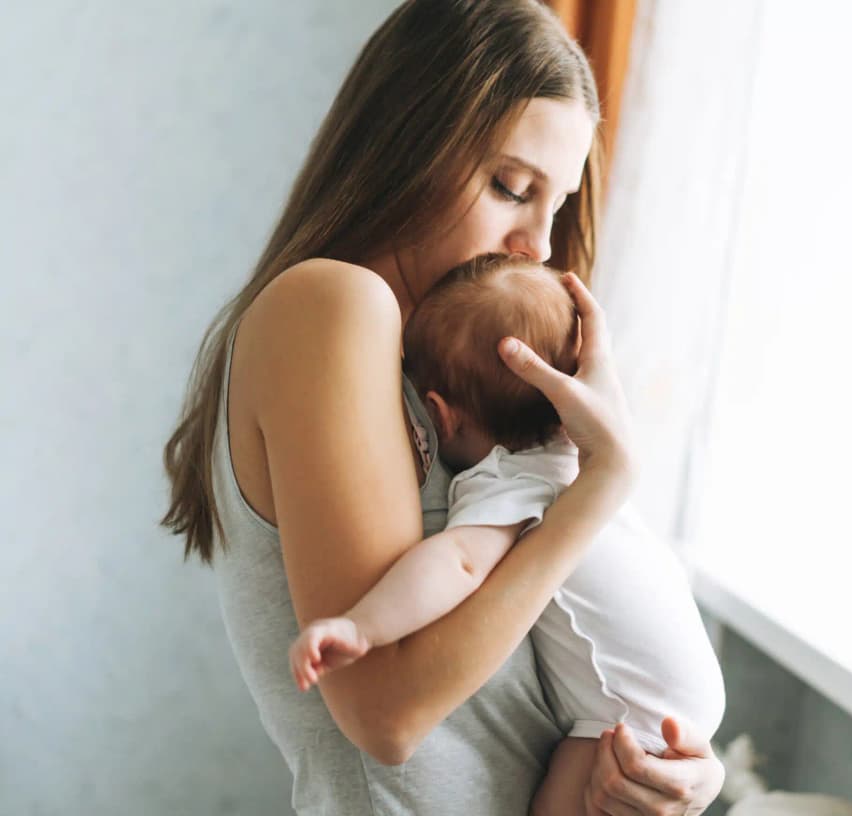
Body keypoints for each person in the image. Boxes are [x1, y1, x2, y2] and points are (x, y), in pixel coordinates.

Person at [160, 1, 726, 813]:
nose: (536, 242)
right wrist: (598, 489)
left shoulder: (456, 394)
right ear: (408, 145)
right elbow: (386, 716)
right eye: (510, 186)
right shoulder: (334, 305)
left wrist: (670, 758)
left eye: (555, 206)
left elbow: (561, 649)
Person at [286, 254, 726, 815]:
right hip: (683, 699)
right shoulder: (579, 457)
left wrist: (361, 624)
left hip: (628, 715)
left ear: (438, 415)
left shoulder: (508, 479)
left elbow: (459, 563)